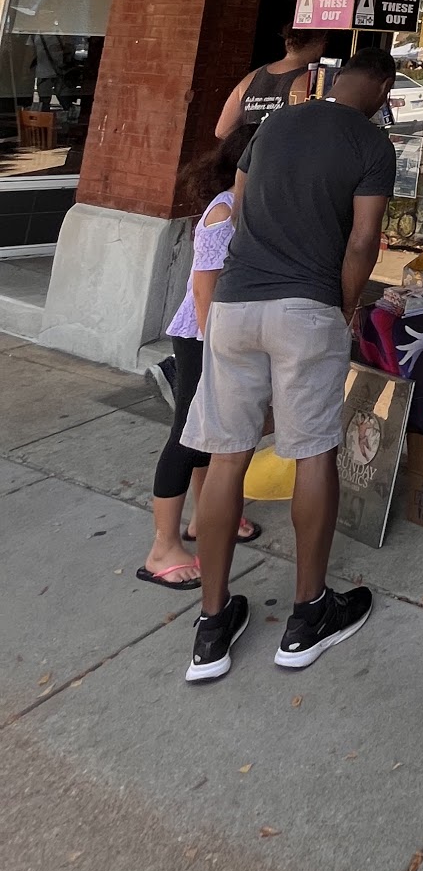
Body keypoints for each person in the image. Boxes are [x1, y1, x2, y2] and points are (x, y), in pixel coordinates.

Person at [182, 46, 397, 684]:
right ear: (382, 88)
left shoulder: (275, 124)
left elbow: (239, 204)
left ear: (336, 79)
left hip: (235, 304)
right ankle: (307, 613)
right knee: (312, 452)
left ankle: (211, 627)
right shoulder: (371, 142)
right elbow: (364, 238)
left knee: (227, 458)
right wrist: (344, 308)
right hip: (306, 307)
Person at [137, 126, 261, 589]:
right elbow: (204, 287)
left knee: (211, 429)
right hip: (202, 336)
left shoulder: (249, 205)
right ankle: (162, 547)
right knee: (187, 436)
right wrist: (217, 348)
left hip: (222, 335)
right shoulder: (224, 211)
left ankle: (205, 517)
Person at [214, 24, 330, 138]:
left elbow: (222, 131)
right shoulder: (310, 80)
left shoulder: (250, 79)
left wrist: (252, 141)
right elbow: (309, 128)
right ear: (320, 44)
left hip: (250, 149)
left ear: (287, 42)